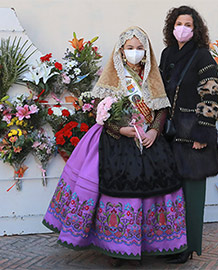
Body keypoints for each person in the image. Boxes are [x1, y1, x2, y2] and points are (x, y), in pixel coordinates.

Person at [43, 26, 187, 267]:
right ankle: (115, 249)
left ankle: (148, 244)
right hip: (117, 142)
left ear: (146, 51)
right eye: (130, 48)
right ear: (121, 51)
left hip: (150, 143)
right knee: (117, 190)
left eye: (140, 48)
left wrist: (154, 130)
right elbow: (102, 110)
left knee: (155, 191)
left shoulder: (152, 77)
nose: (135, 52)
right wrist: (120, 129)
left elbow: (161, 109)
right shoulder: (113, 77)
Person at [159, 6, 218, 264]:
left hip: (194, 135)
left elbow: (212, 95)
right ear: (171, 27)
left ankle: (188, 247)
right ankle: (172, 242)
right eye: (178, 23)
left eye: (187, 24)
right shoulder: (167, 54)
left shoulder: (203, 56)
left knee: (192, 194)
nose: (182, 28)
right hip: (169, 134)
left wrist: (203, 134)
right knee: (173, 194)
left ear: (195, 29)